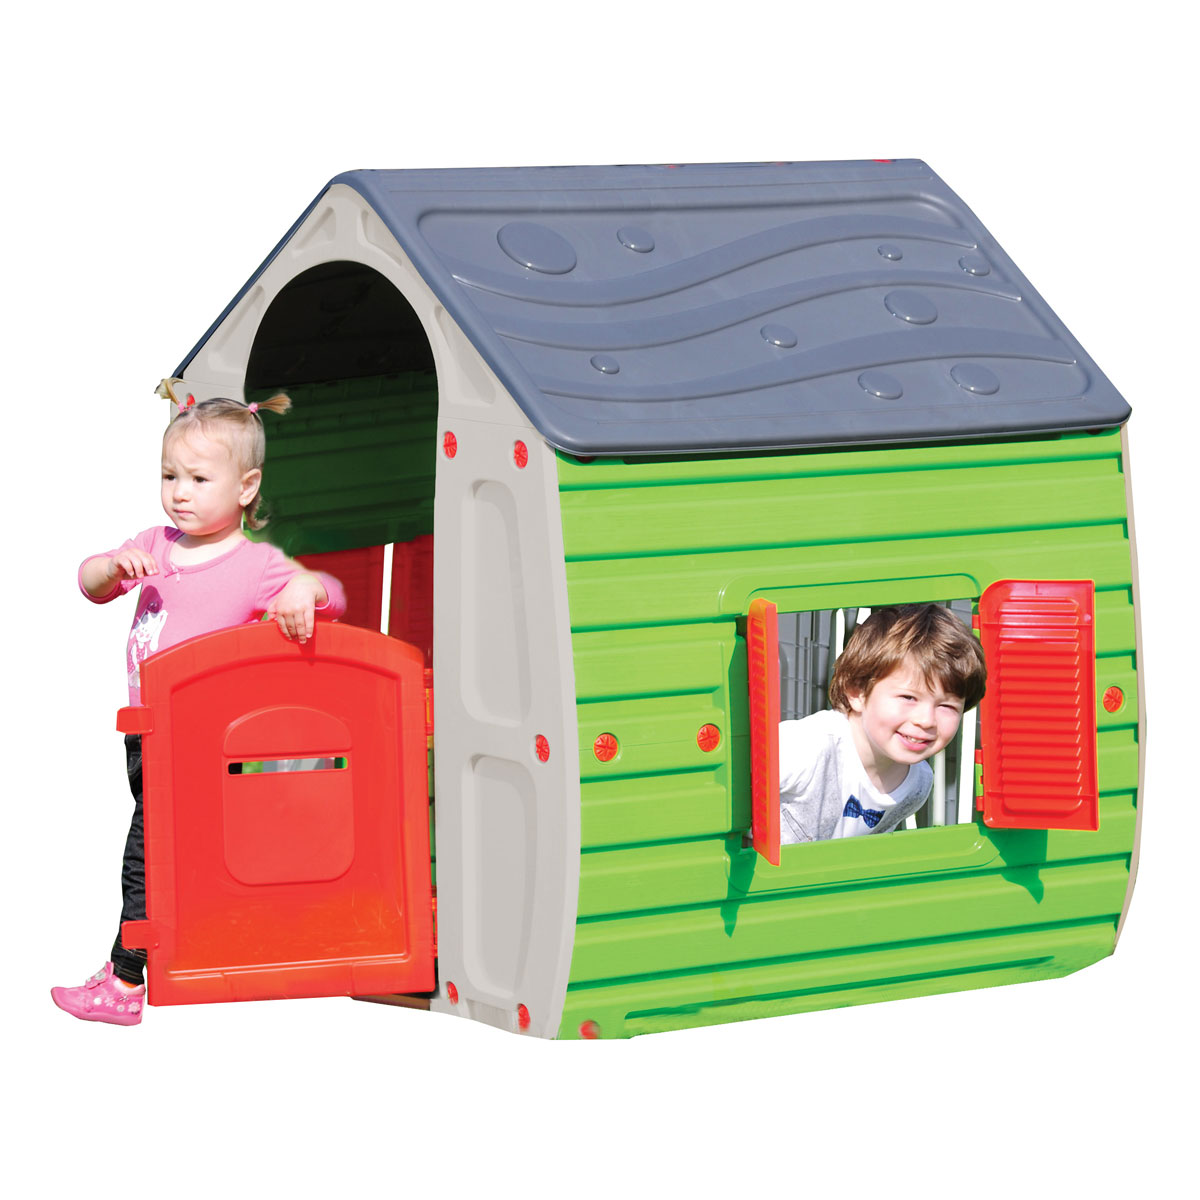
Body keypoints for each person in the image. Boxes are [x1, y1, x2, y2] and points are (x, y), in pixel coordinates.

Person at [51, 391, 347, 1025]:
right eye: (169, 476)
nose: (179, 493)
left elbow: (334, 595)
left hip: (198, 736)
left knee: (149, 852)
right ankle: (183, 954)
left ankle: (125, 980)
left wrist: (303, 588)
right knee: (165, 848)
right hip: (146, 732)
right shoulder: (153, 545)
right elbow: (88, 583)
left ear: (246, 487)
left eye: (198, 479)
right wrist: (112, 566)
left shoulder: (255, 563)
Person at [779, 604, 986, 845]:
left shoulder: (918, 784)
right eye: (908, 697)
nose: (926, 720)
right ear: (857, 692)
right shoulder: (806, 747)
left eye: (947, 706)